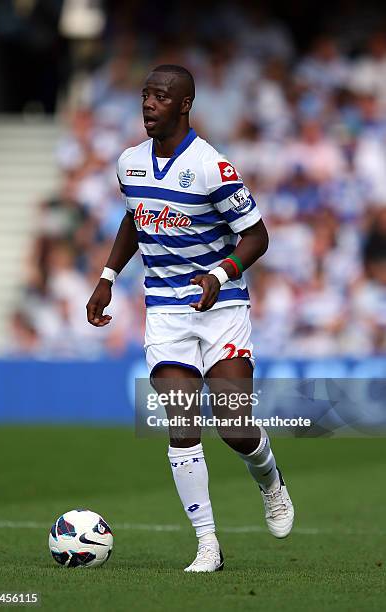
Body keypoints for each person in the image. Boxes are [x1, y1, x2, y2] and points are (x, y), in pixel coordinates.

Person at [86, 65, 294, 572]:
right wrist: (109, 276)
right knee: (182, 424)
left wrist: (219, 276)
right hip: (165, 311)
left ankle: (271, 481)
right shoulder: (129, 163)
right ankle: (207, 544)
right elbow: (135, 217)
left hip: (221, 308)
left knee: (233, 427)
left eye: (160, 96)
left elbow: (257, 235)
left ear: (185, 104)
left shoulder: (210, 166)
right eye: (145, 95)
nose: (149, 104)